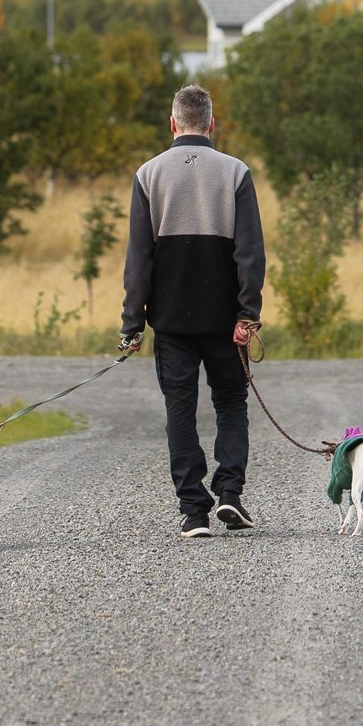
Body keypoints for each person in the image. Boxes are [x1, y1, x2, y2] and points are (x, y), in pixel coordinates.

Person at [120, 82, 265, 537]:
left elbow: (138, 260)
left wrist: (131, 326)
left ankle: (193, 511)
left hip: (171, 322)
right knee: (231, 402)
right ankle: (230, 494)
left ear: (173, 123)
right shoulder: (236, 172)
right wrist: (247, 313)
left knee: (179, 410)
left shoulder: (148, 174)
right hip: (226, 323)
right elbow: (250, 253)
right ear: (211, 125)